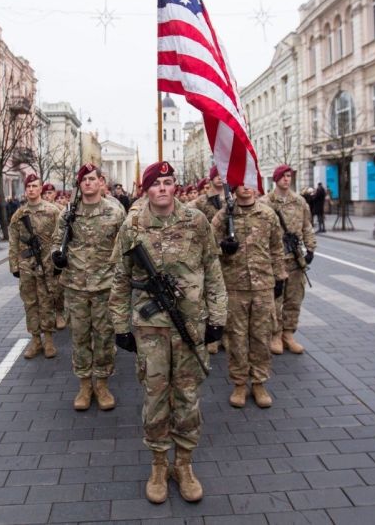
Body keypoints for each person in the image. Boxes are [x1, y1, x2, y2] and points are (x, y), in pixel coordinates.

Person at [109, 161, 227, 504]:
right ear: (146, 189)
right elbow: (119, 278)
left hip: (190, 323)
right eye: (156, 183)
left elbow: (213, 270)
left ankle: (185, 464)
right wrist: (120, 327)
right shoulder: (132, 224)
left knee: (188, 396)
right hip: (150, 329)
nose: (163, 188)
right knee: (156, 397)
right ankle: (159, 465)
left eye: (168, 182)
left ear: (176, 186)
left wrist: (217, 318)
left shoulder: (197, 221)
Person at [52, 163, 126, 411]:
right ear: (79, 184)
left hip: (106, 286)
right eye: (83, 179)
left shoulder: (114, 212)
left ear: (100, 181)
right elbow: (56, 241)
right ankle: (85, 385)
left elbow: (125, 247)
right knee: (80, 337)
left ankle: (102, 384)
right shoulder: (68, 214)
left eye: (92, 179)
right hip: (75, 286)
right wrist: (56, 255)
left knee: (104, 337)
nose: (88, 183)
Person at [214, 183, 287, 408]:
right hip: (234, 286)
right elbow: (207, 247)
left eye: (249, 183)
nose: (246, 188)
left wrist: (280, 276)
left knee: (262, 337)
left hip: (263, 286)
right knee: (236, 339)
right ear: (233, 187)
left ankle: (259, 383)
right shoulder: (224, 215)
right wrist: (223, 249)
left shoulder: (267, 214)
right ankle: (239, 383)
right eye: (241, 184)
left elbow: (276, 248)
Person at [261, 164, 316, 356]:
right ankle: (275, 335)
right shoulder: (265, 202)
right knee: (275, 301)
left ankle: (288, 334)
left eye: (289, 176)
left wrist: (310, 248)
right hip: (274, 261)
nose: (287, 179)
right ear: (275, 179)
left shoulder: (299, 202)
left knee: (294, 299)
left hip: (294, 259)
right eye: (283, 176)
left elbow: (307, 226)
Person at [9, 174, 62, 358]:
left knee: (47, 301)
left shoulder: (53, 211)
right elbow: (13, 240)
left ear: (41, 189)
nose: (31, 189)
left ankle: (48, 341)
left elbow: (61, 236)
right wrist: (14, 265)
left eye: (34, 186)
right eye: (28, 186)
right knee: (30, 304)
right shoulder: (19, 214)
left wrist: (59, 261)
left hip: (47, 265)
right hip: (27, 266)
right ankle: (35, 341)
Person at [193, 165, 225, 354]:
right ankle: (212, 338)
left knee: (227, 298)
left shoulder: (233, 200)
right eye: (216, 175)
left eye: (223, 175)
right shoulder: (201, 202)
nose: (220, 178)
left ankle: (227, 335)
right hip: (209, 254)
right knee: (207, 295)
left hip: (232, 258)